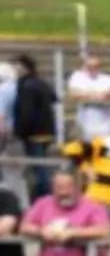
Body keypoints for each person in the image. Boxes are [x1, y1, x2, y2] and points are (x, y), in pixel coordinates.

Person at [12, 55, 58, 201]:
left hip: (34, 134)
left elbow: (27, 113)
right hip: (48, 131)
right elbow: (54, 98)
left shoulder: (26, 86)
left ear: (24, 68)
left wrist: (19, 132)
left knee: (40, 170)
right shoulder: (42, 83)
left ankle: (47, 200)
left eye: (17, 67)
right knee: (42, 167)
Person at [67, 55, 110, 141]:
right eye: (89, 66)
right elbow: (74, 94)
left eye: (95, 66)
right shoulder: (77, 77)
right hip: (86, 115)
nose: (92, 69)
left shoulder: (108, 79)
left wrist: (87, 93)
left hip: (105, 117)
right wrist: (97, 94)